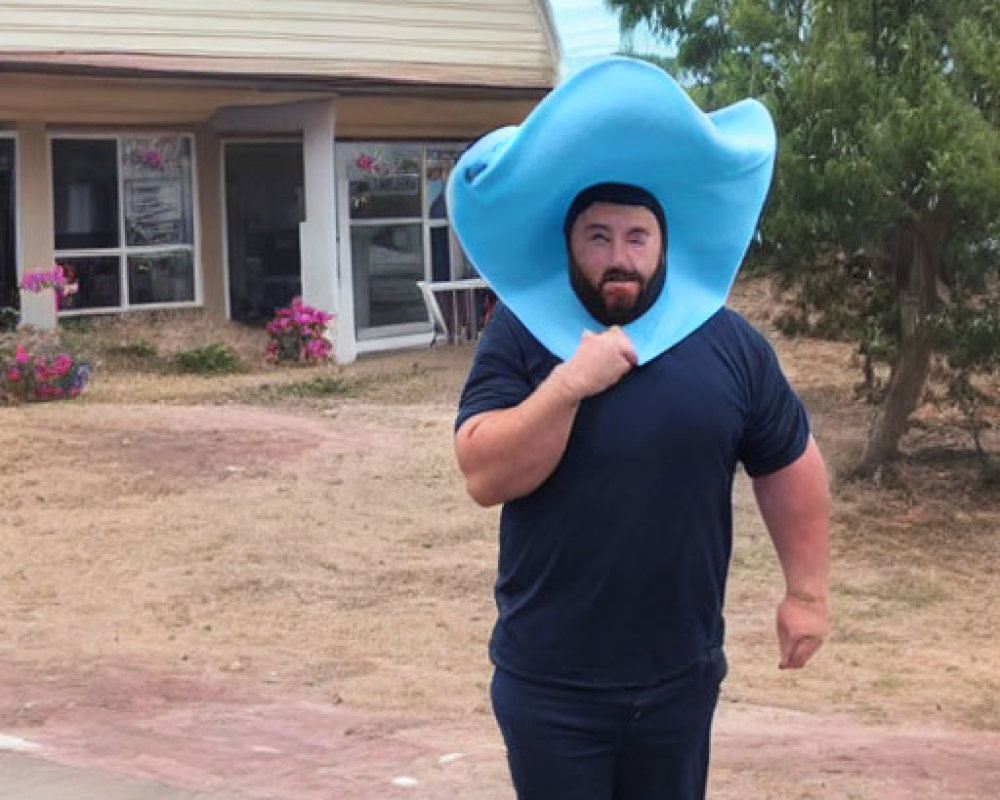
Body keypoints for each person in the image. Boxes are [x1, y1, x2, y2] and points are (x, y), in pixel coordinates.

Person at [447, 58, 830, 800]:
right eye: (597, 236)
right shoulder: (522, 336)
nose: (618, 256)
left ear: (664, 246)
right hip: (551, 684)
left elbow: (790, 464)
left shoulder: (729, 343)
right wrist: (569, 385)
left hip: (679, 680)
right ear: (568, 246)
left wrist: (807, 593)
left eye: (636, 236)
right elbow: (484, 476)